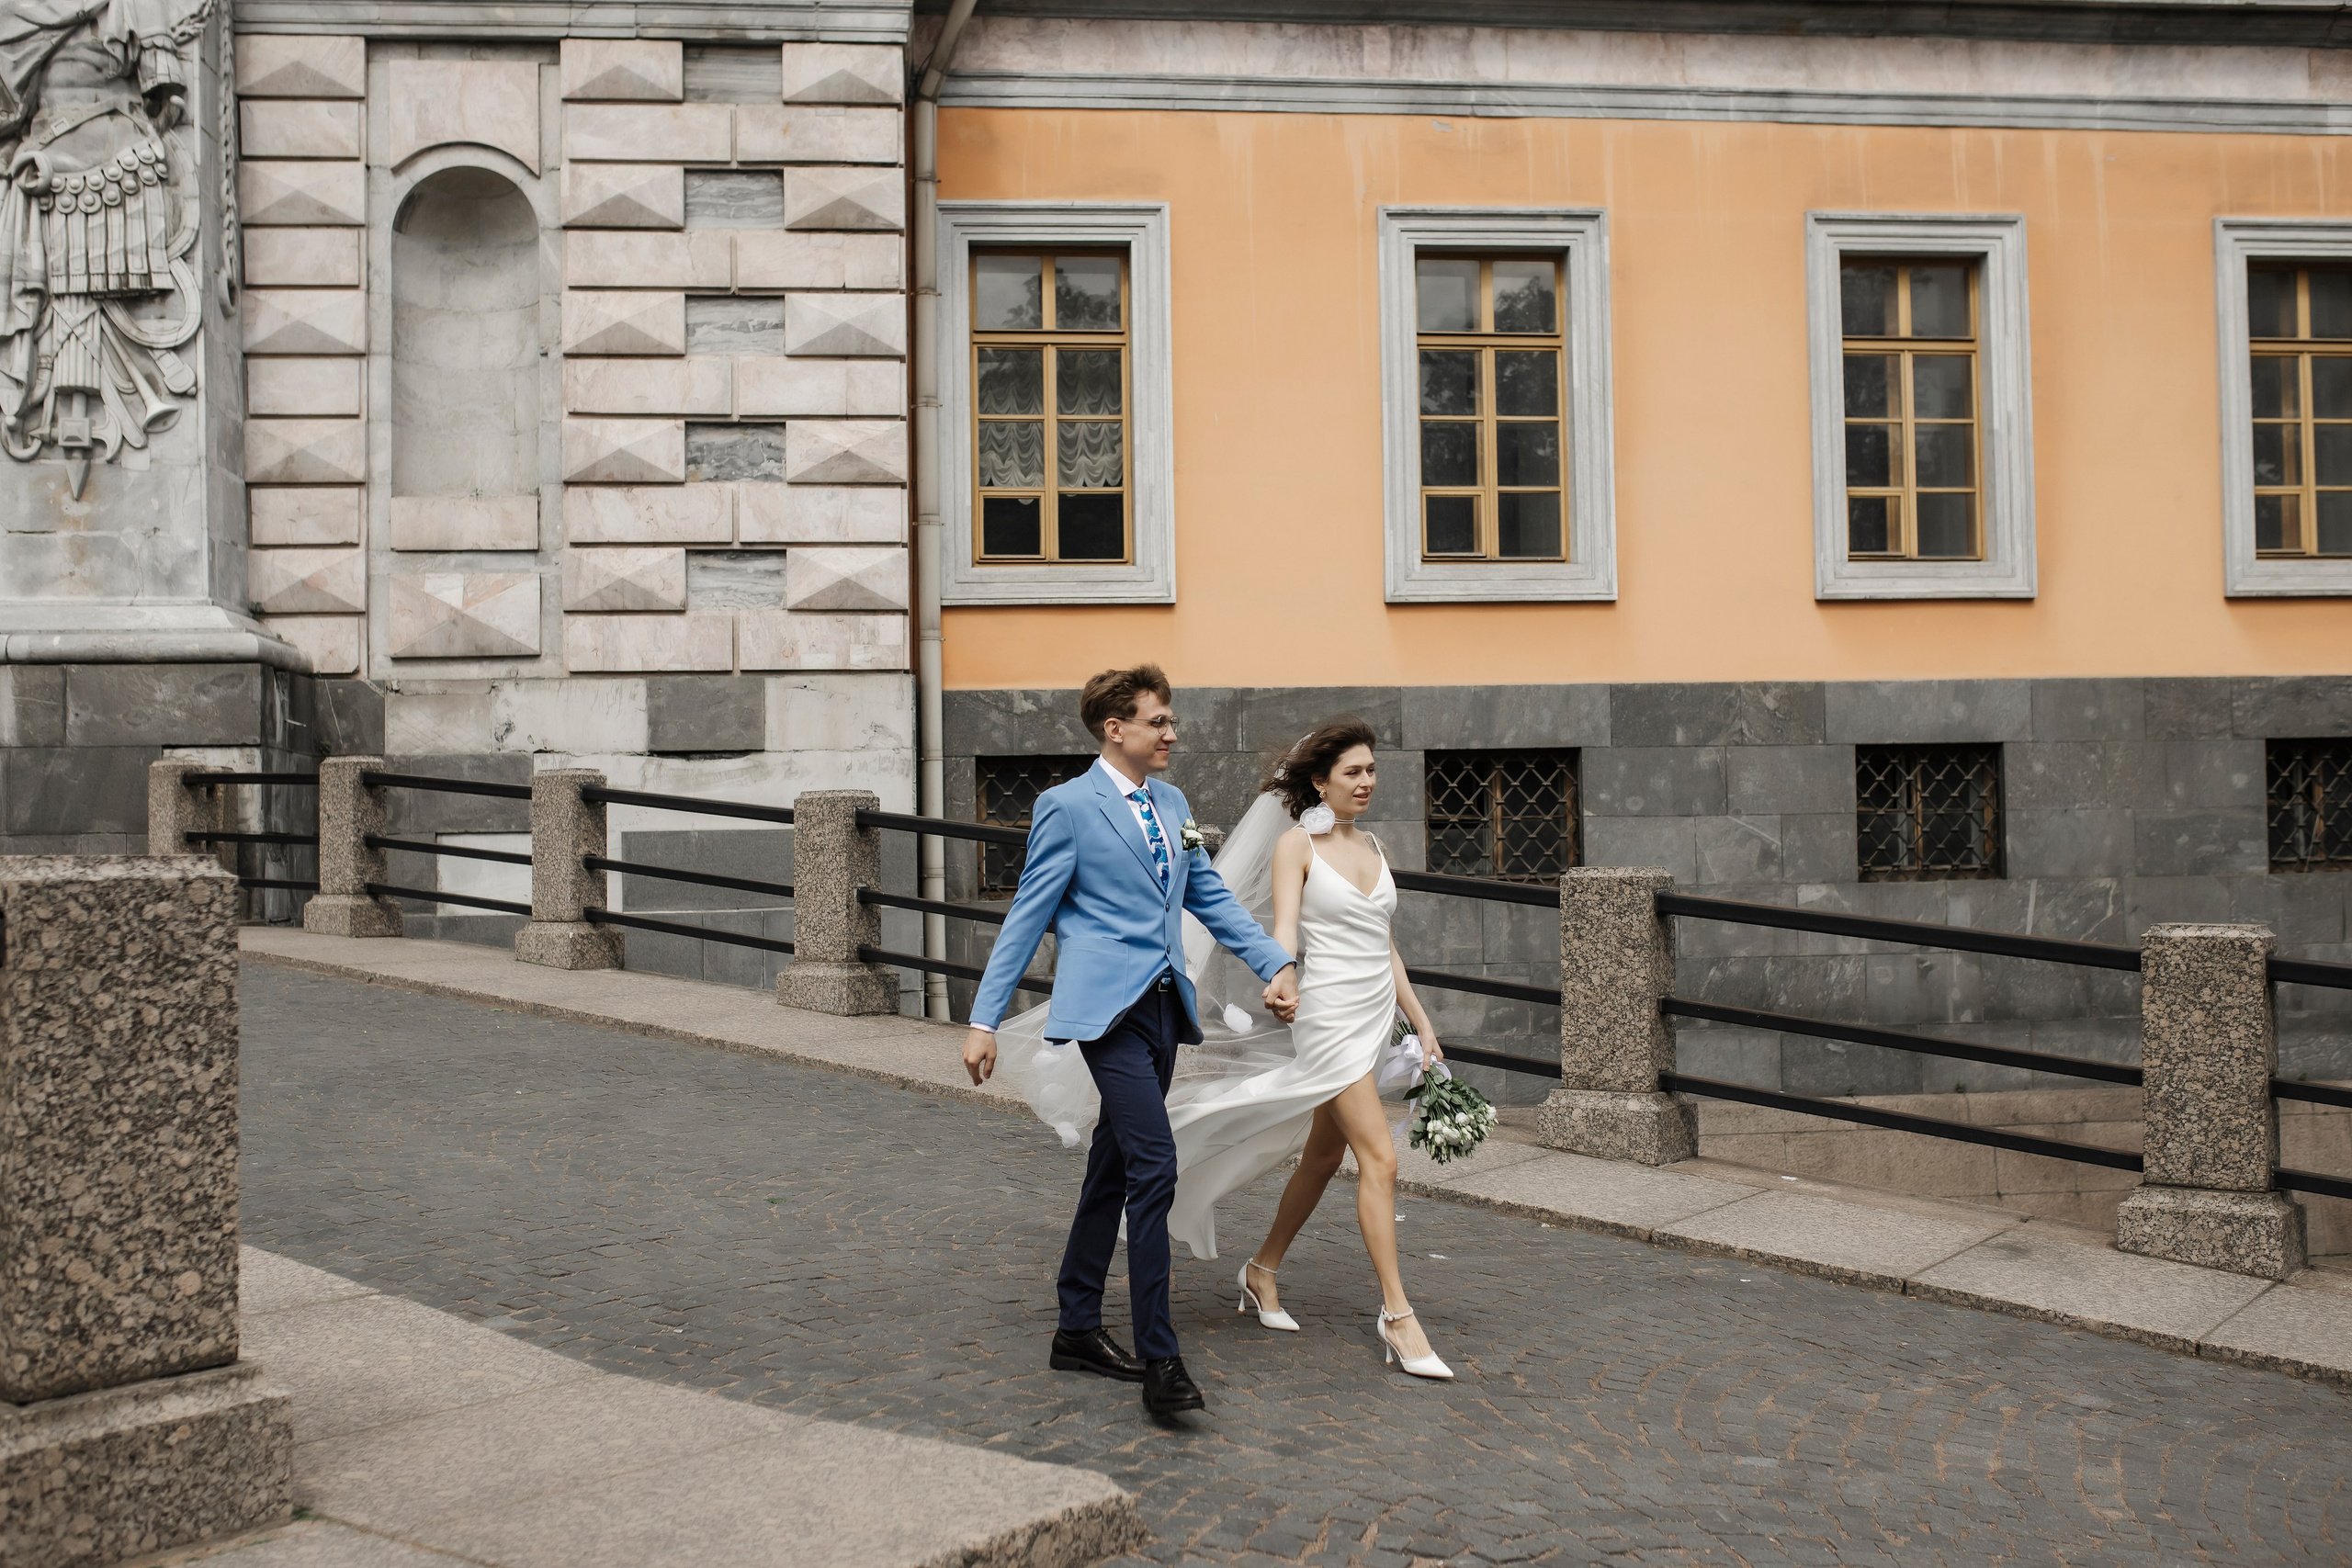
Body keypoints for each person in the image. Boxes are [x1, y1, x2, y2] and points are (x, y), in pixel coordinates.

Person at [991, 718, 1458, 1382]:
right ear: (1320, 780)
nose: (1367, 781)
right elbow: (1281, 927)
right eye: (1353, 770)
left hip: (1374, 1011)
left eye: (1372, 769)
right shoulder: (1296, 846)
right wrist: (1279, 972)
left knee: (1325, 1154)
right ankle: (1398, 1313)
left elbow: (1384, 943)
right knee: (1379, 1157)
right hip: (1324, 1015)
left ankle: (1261, 1271)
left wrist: (1420, 1022)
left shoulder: (1375, 845)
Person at [961, 664, 1300, 1418]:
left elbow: (1206, 893)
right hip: (1103, 1015)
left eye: (1171, 720)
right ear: (1116, 728)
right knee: (1155, 1164)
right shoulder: (1066, 807)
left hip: (1161, 1009)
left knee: (1113, 1166)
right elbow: (1027, 915)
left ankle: (1076, 1325)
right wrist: (984, 1019)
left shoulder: (1172, 802)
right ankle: (1161, 1358)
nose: (1172, 732)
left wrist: (1275, 960)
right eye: (1160, 721)